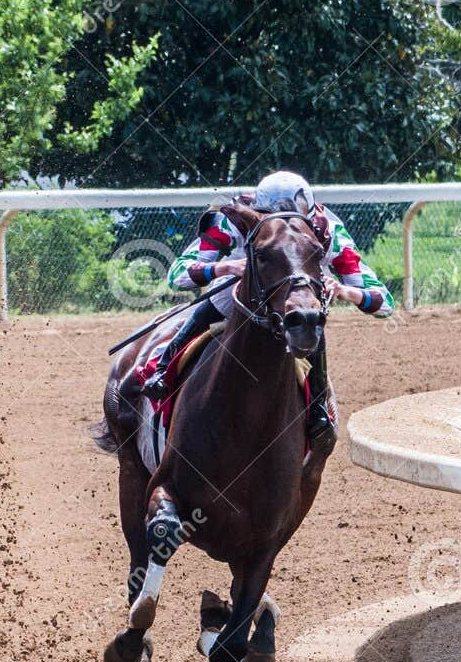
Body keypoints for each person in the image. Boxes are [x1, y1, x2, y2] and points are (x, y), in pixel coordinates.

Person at [141, 169, 393, 453]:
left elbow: (384, 303)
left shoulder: (329, 231)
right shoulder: (233, 220)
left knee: (311, 321)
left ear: (309, 217)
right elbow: (177, 275)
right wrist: (226, 267)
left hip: (297, 305)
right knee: (225, 293)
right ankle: (163, 370)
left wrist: (348, 291)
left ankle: (318, 408)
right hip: (242, 295)